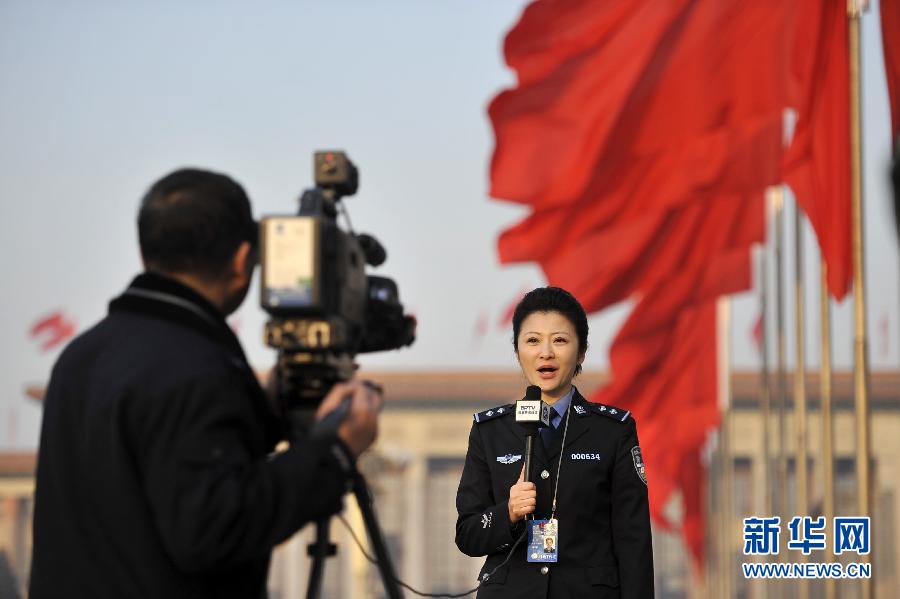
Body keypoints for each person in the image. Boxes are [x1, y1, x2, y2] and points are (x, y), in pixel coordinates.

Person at [29, 168, 383, 598]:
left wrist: (263, 414)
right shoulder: (197, 367)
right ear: (241, 260)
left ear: (146, 255)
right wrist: (335, 453)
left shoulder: (81, 357)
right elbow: (215, 529)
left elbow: (151, 472)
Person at [455, 287, 654, 598]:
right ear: (517, 350)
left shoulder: (613, 431)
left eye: (559, 340)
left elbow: (634, 541)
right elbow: (467, 535)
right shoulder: (490, 430)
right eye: (533, 340)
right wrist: (507, 512)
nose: (545, 352)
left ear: (582, 351)